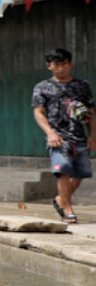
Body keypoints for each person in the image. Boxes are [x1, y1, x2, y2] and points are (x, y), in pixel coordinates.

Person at [32, 48, 95, 224]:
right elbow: (38, 113)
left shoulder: (82, 86)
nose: (60, 68)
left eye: (64, 64)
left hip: (79, 135)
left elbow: (91, 112)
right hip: (58, 137)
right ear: (49, 66)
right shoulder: (42, 87)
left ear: (70, 64)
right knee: (63, 171)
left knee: (81, 173)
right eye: (56, 65)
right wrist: (50, 133)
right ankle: (68, 210)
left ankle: (60, 199)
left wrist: (92, 136)